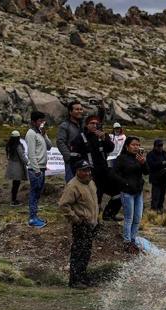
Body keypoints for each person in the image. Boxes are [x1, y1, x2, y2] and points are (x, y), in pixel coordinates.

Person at [58, 160, 99, 289]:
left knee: (86, 252)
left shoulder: (91, 182)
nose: (88, 172)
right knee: (78, 252)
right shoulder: (72, 186)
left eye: (89, 170)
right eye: (85, 170)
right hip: (81, 223)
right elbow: (64, 205)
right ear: (78, 171)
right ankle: (74, 280)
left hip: (91, 223)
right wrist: (75, 219)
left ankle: (82, 277)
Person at [69, 115, 115, 207]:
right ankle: (89, 217)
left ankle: (99, 216)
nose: (94, 125)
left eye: (97, 123)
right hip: (89, 172)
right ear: (87, 125)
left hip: (102, 171)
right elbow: (73, 157)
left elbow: (110, 148)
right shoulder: (80, 138)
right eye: (92, 123)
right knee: (89, 196)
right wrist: (79, 171)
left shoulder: (103, 136)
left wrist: (104, 139)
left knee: (101, 194)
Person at [115, 136, 148, 254]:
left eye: (138, 145)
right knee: (129, 217)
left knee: (138, 217)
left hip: (138, 192)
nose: (136, 147)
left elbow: (147, 172)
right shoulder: (121, 159)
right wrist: (126, 184)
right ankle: (127, 241)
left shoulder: (139, 158)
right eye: (133, 145)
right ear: (127, 146)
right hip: (127, 192)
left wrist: (144, 163)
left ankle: (133, 239)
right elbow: (115, 174)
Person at [25, 111, 52, 228]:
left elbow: (50, 146)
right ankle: (32, 218)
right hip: (35, 169)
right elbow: (31, 153)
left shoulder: (40, 133)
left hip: (41, 168)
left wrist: (45, 134)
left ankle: (35, 216)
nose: (42, 123)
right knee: (34, 193)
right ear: (33, 122)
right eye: (40, 121)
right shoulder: (31, 133)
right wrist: (36, 170)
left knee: (37, 194)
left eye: (43, 121)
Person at [57, 100, 84, 182]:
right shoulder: (64, 125)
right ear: (70, 112)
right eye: (77, 109)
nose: (79, 111)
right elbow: (60, 142)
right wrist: (69, 157)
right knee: (72, 185)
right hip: (72, 162)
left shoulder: (83, 125)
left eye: (80, 109)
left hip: (83, 160)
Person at [146, 139, 166, 212]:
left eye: (161, 145)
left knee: (162, 196)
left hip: (164, 178)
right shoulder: (150, 154)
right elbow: (151, 165)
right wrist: (162, 163)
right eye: (158, 146)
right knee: (155, 196)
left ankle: (160, 209)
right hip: (156, 179)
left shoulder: (164, 153)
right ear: (154, 146)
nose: (160, 147)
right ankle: (153, 212)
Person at [5, 130, 28, 205]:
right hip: (17, 167)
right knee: (16, 184)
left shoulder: (9, 145)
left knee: (14, 183)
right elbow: (22, 156)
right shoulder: (18, 145)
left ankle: (13, 199)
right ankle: (14, 200)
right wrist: (28, 163)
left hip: (11, 166)